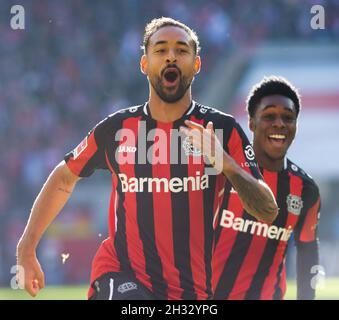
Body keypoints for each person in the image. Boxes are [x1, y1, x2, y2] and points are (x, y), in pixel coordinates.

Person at [16, 17, 278, 300]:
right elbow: (66, 177)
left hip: (191, 292)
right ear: (144, 64)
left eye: (181, 50)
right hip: (120, 274)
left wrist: (225, 162)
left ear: (196, 65)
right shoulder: (117, 129)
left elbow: (267, 210)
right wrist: (26, 247)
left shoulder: (222, 130)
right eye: (161, 49)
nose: (171, 57)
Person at [212, 76, 321, 300]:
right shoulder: (221, 172)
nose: (279, 123)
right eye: (269, 116)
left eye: (288, 117)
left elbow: (307, 251)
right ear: (251, 123)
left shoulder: (305, 189)